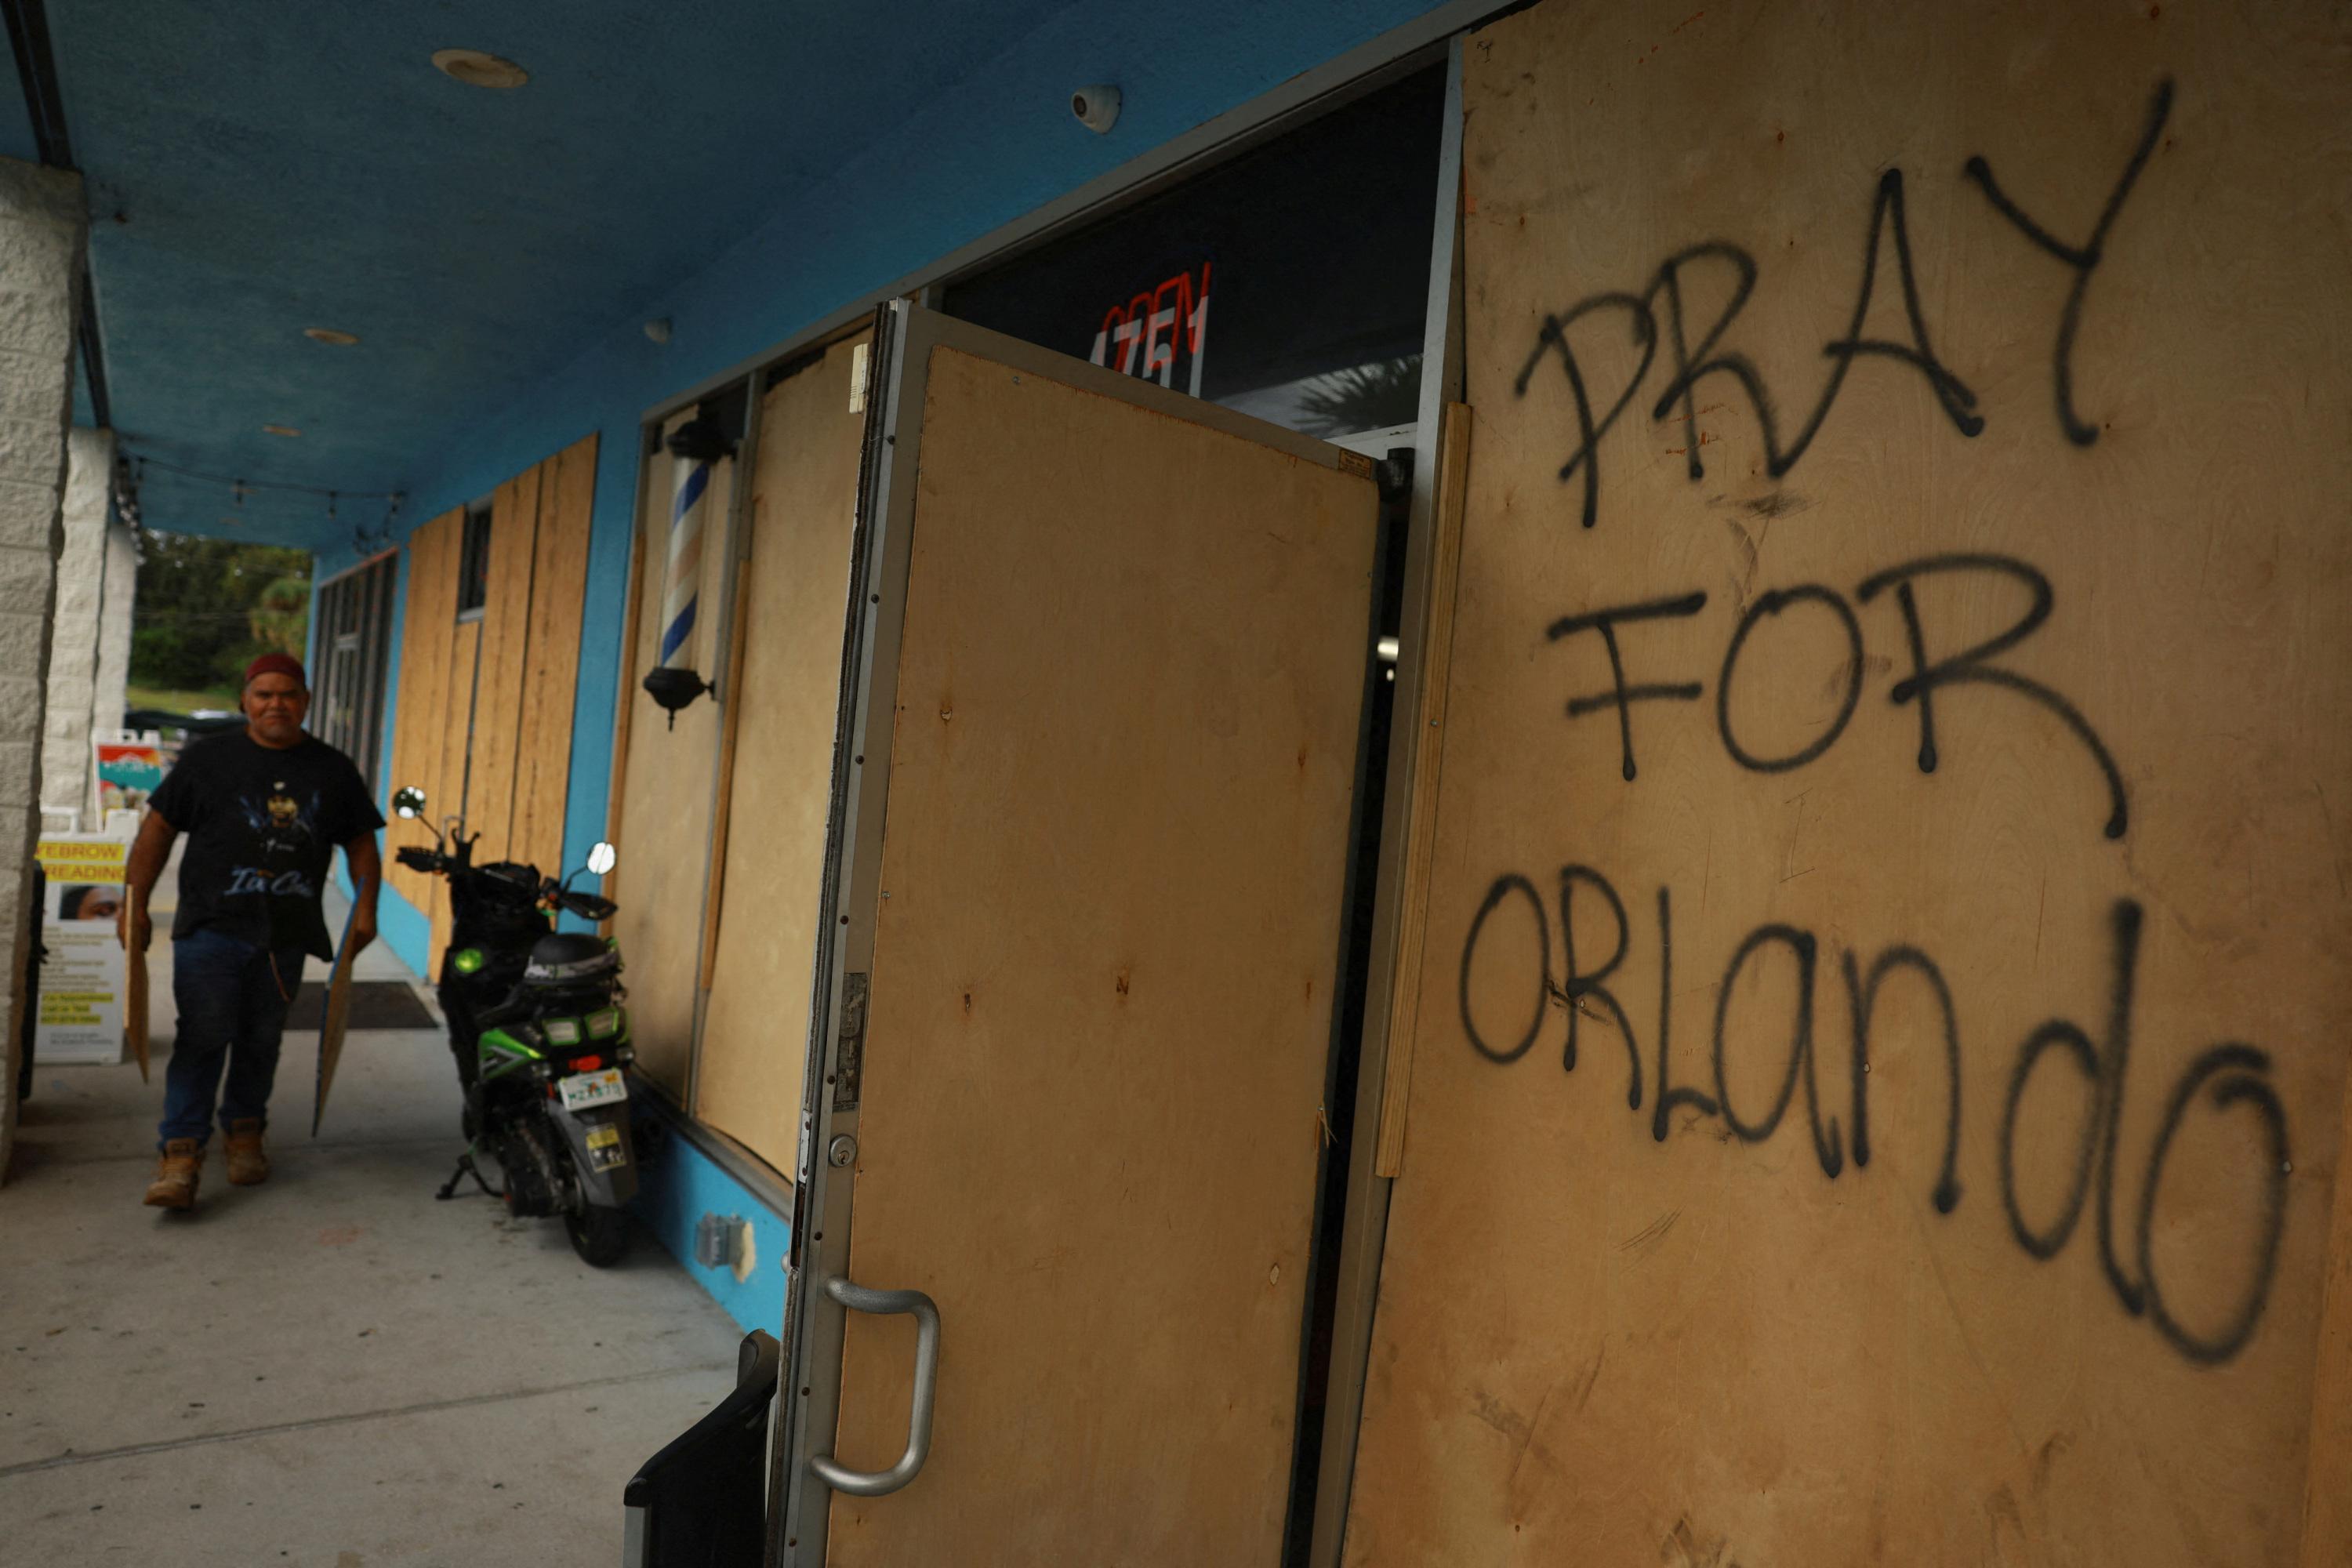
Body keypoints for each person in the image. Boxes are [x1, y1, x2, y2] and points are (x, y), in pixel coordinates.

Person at [119, 653, 384, 1210]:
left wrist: (366, 909)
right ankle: (180, 1155)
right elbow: (157, 830)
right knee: (203, 1036)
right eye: (264, 694)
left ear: (306, 702)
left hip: (285, 934)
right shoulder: (207, 760)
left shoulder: (332, 769)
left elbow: (361, 841)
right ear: (245, 701)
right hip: (210, 927)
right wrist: (134, 904)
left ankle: (245, 1135)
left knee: (261, 1040)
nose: (276, 704)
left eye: (288, 694)